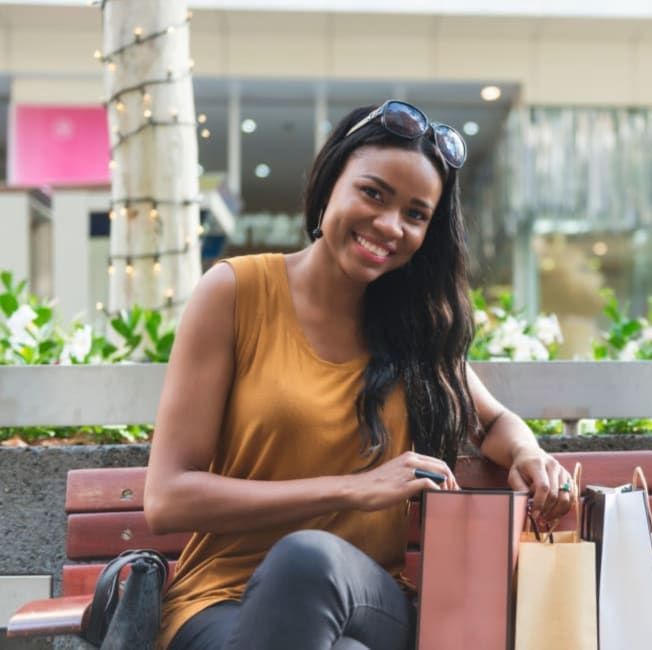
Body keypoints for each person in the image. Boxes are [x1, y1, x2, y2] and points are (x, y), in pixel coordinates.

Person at [145, 100, 576, 650]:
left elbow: (491, 424)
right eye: (373, 194)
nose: (390, 225)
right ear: (329, 184)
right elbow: (167, 499)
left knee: (310, 563)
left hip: (367, 601)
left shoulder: (416, 330)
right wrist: (354, 489)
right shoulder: (234, 293)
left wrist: (529, 454)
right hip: (218, 601)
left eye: (416, 215)